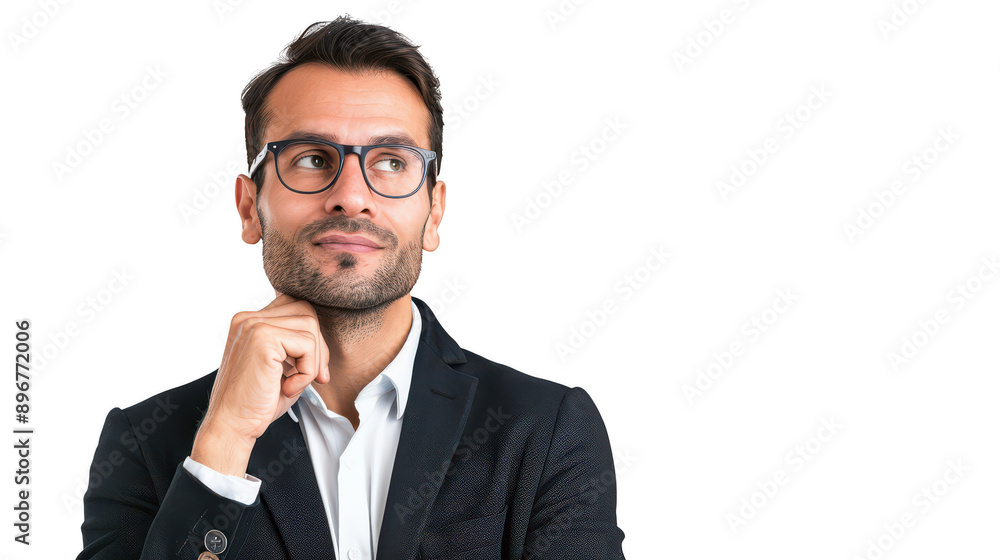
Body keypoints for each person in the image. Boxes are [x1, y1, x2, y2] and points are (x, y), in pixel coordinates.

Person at [78, 16, 625, 560]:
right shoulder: (144, 443)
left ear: (433, 213)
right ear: (249, 208)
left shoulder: (546, 430)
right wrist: (225, 442)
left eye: (390, 162)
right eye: (312, 159)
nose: (352, 196)